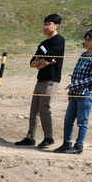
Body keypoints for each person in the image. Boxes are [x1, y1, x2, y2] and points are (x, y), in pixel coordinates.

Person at [55, 27, 92, 155]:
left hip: (87, 93)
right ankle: (67, 143)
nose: (86, 42)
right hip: (75, 93)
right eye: (86, 39)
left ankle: (79, 146)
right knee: (68, 120)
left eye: (89, 40)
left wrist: (73, 86)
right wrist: (71, 91)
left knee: (82, 121)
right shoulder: (84, 55)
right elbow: (76, 74)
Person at [16, 13, 65, 149]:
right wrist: (42, 62)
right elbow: (32, 63)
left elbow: (47, 61)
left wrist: (43, 62)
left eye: (48, 24)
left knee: (44, 108)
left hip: (51, 79)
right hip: (40, 79)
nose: (45, 27)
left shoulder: (59, 40)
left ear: (56, 25)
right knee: (34, 110)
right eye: (44, 24)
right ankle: (30, 137)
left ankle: (49, 138)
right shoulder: (43, 44)